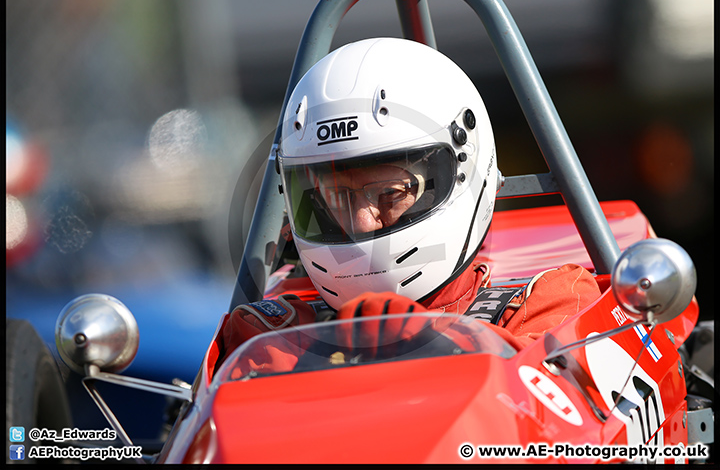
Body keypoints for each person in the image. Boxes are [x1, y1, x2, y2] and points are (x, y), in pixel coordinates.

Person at [211, 37, 601, 375]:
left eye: (391, 192)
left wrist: (388, 338)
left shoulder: (552, 303)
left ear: (464, 171)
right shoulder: (267, 336)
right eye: (336, 198)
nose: (362, 223)